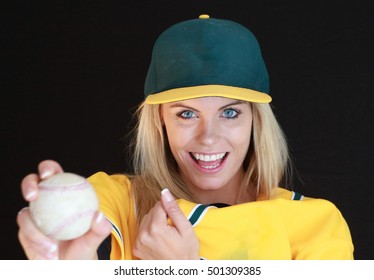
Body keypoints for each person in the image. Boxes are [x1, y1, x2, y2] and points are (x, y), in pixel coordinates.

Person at [17, 15, 354, 260]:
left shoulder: (316, 223)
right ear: (160, 121)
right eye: (186, 114)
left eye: (230, 112)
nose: (209, 138)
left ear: (256, 121)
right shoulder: (118, 200)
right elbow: (76, 253)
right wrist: (66, 266)